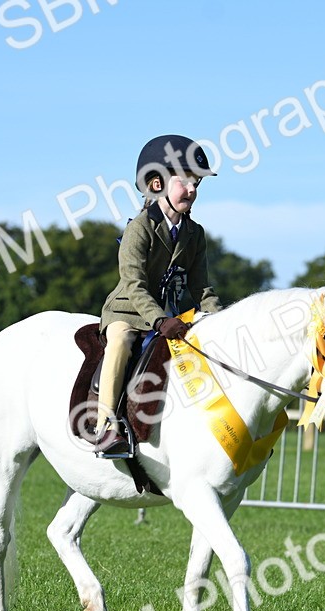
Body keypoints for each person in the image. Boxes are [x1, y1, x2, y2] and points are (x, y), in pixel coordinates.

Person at [93, 134, 223, 456]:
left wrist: (220, 321)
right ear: (156, 184)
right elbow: (134, 284)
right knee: (121, 341)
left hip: (170, 317)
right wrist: (160, 319)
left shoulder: (195, 234)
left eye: (197, 183)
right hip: (127, 313)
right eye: (185, 182)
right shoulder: (139, 228)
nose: (192, 190)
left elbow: (201, 288)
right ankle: (106, 426)